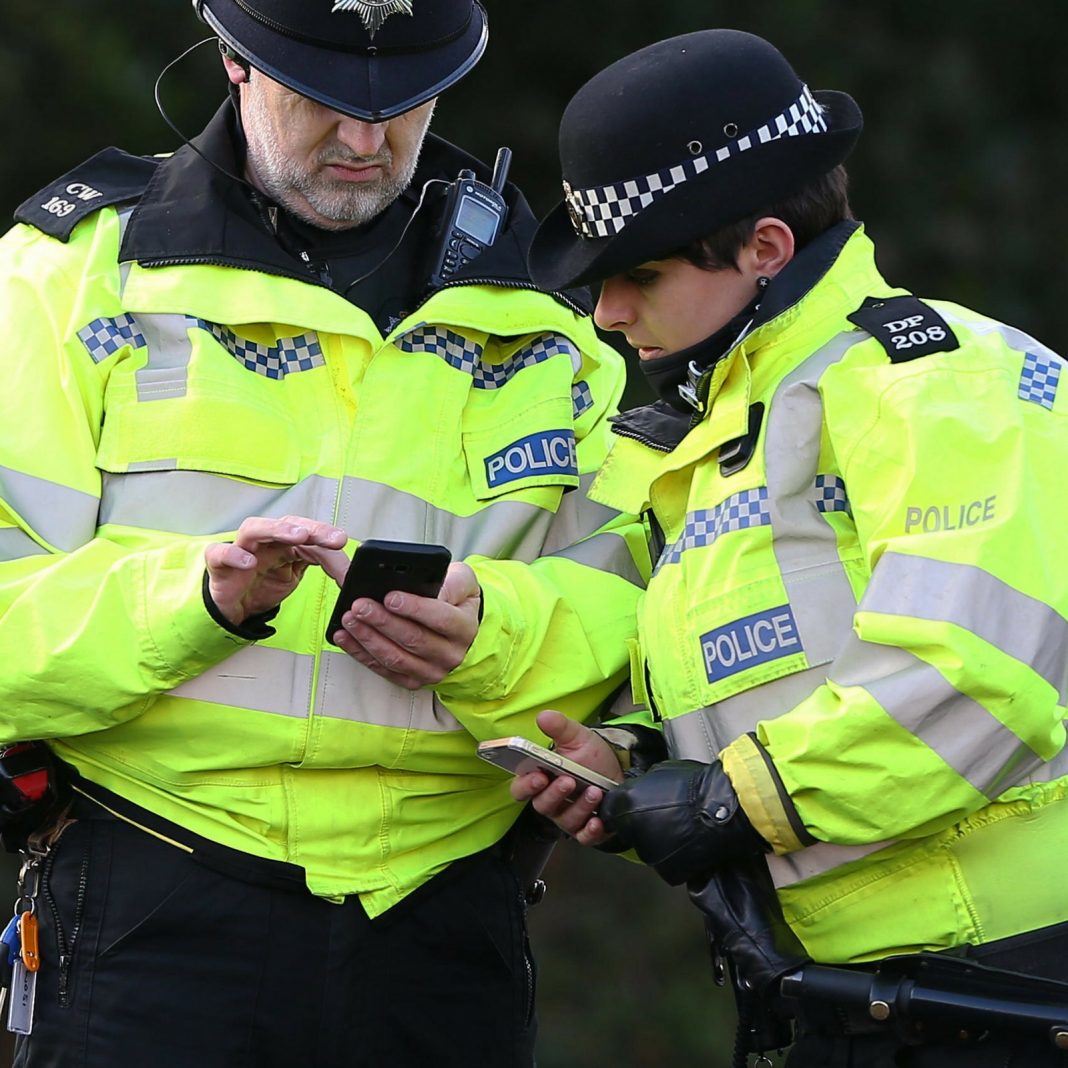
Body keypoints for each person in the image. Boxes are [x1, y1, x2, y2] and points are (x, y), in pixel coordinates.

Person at [0, 2, 648, 1065]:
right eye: (325, 99)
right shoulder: (70, 274)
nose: (364, 140)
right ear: (234, 62)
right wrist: (197, 604)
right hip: (154, 903)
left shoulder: (557, 311)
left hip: (446, 922)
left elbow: (640, 621)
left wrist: (493, 633)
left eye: (404, 104)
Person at [515, 27, 1068, 1067]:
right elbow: (775, 683)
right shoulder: (712, 439)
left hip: (1008, 989)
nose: (607, 312)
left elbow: (973, 680)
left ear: (766, 248)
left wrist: (726, 801)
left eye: (638, 274)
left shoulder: (939, 384)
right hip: (847, 1002)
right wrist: (635, 765)